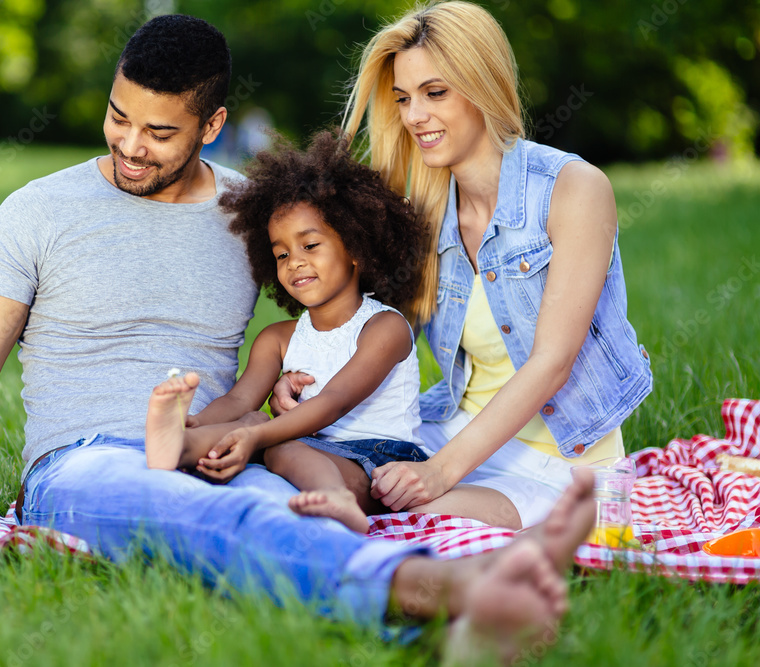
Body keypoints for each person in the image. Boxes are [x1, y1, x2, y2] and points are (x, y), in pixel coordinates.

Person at [0, 13, 598, 661]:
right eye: (118, 116)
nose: (130, 145)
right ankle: (455, 588)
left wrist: (291, 381)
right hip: (88, 459)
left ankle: (446, 632)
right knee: (208, 517)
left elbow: (343, 304)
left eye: (159, 132)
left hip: (221, 448)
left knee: (291, 519)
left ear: (212, 124)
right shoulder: (36, 212)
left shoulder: (258, 213)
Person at [273, 0, 652, 531]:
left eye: (435, 93)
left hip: (565, 463)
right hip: (452, 430)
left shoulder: (572, 189)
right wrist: (296, 374)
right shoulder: (425, 215)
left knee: (409, 516)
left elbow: (552, 362)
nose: (413, 116)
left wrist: (438, 473)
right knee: (293, 460)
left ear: (483, 84)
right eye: (404, 99)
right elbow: (363, 318)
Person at [144, 131, 427, 534]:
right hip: (309, 446)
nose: (295, 262)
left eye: (310, 246)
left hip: (379, 462)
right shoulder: (277, 337)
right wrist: (200, 421)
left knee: (270, 437)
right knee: (252, 416)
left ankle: (337, 499)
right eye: (281, 254)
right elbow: (240, 397)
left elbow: (332, 402)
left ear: (354, 248)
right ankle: (179, 443)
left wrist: (254, 435)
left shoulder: (384, 327)